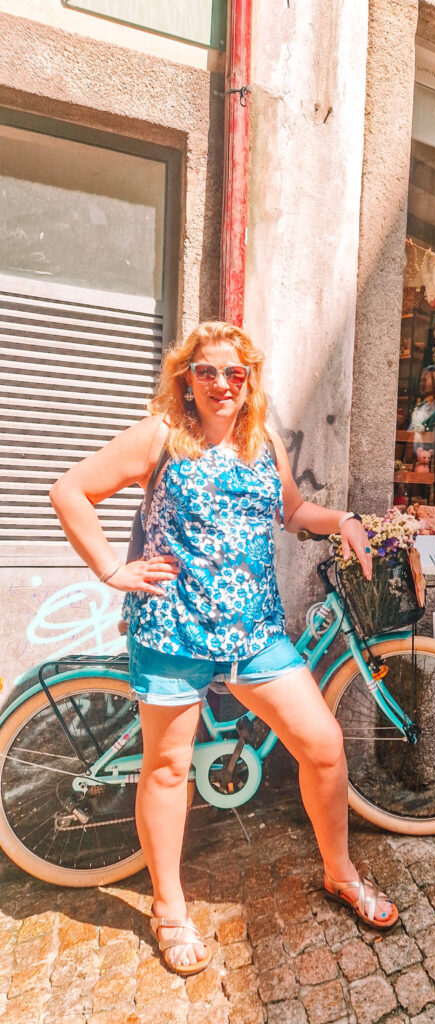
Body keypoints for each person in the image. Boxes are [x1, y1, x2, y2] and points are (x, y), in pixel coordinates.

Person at [49, 321, 398, 977]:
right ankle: (170, 910)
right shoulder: (161, 436)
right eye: (207, 371)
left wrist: (344, 520)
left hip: (255, 633)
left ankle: (339, 872)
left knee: (322, 746)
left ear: (249, 380)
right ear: (187, 376)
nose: (221, 384)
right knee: (168, 770)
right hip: (173, 634)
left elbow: (293, 512)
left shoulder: (261, 440)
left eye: (234, 373)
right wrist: (110, 569)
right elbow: (71, 491)